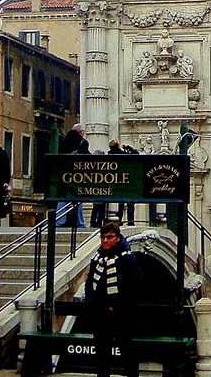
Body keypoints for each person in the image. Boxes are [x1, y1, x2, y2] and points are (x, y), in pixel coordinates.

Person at [84, 223, 142, 377]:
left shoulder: (127, 259)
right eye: (103, 237)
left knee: (126, 351)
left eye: (109, 237)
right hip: (100, 313)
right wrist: (92, 304)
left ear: (117, 238)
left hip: (122, 314)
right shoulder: (97, 259)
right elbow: (90, 284)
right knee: (101, 352)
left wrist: (116, 305)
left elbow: (135, 285)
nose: (105, 241)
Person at [58, 124, 90, 227]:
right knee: (77, 198)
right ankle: (79, 222)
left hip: (64, 173)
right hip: (77, 174)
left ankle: (59, 221)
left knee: (62, 197)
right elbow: (87, 157)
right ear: (81, 132)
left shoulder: (63, 141)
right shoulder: (82, 142)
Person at [108, 139, 138, 224]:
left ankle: (119, 219)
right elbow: (135, 155)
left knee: (120, 202)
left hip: (116, 180)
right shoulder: (122, 154)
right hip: (127, 180)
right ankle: (130, 220)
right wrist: (130, 148)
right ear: (117, 145)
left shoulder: (109, 154)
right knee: (130, 203)